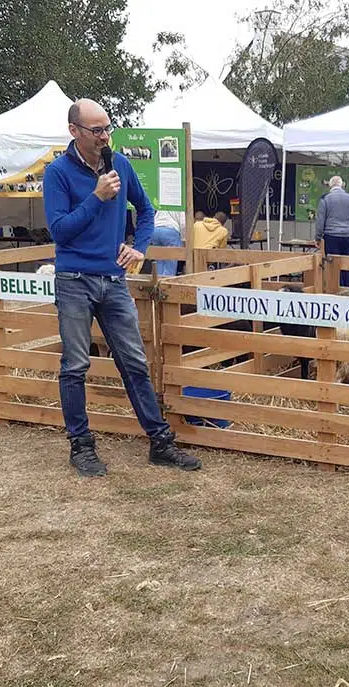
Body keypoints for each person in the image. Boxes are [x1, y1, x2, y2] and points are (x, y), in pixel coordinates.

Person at [43, 98, 201, 477]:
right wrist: (97, 197)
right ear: (74, 132)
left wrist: (139, 247)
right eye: (96, 130)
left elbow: (146, 211)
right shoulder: (58, 173)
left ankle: (160, 444)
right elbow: (59, 231)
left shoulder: (121, 165)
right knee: (76, 365)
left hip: (113, 280)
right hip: (73, 280)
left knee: (134, 361)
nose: (104, 136)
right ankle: (81, 447)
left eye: (108, 128)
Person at [315, 175, 349, 288]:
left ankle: (333, 290)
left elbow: (320, 220)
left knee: (332, 265)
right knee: (346, 265)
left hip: (331, 236)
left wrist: (318, 238)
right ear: (342, 185)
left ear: (330, 185)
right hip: (347, 237)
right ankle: (347, 289)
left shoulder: (325, 199)